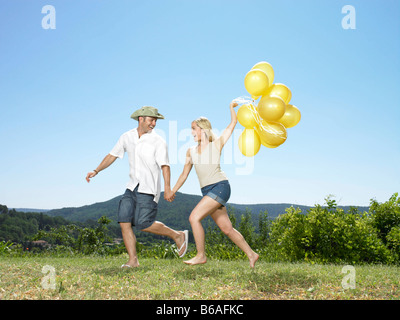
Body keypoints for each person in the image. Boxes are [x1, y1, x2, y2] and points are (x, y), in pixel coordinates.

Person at [86, 106, 188, 268]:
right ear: (141, 118)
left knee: (144, 223)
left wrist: (167, 188)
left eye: (155, 120)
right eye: (151, 120)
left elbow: (165, 166)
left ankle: (177, 235)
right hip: (131, 187)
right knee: (124, 221)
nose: (154, 123)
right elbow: (112, 155)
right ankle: (133, 260)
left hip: (148, 188)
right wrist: (96, 170)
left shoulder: (158, 141)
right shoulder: (127, 137)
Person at [171, 101, 259, 268]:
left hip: (220, 187)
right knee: (227, 228)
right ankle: (252, 254)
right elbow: (184, 174)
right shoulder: (190, 151)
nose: (191, 132)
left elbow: (233, 124)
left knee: (194, 217)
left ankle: (200, 255)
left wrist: (231, 108)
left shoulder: (216, 144)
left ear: (203, 129)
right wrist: (172, 191)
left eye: (193, 128)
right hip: (208, 191)